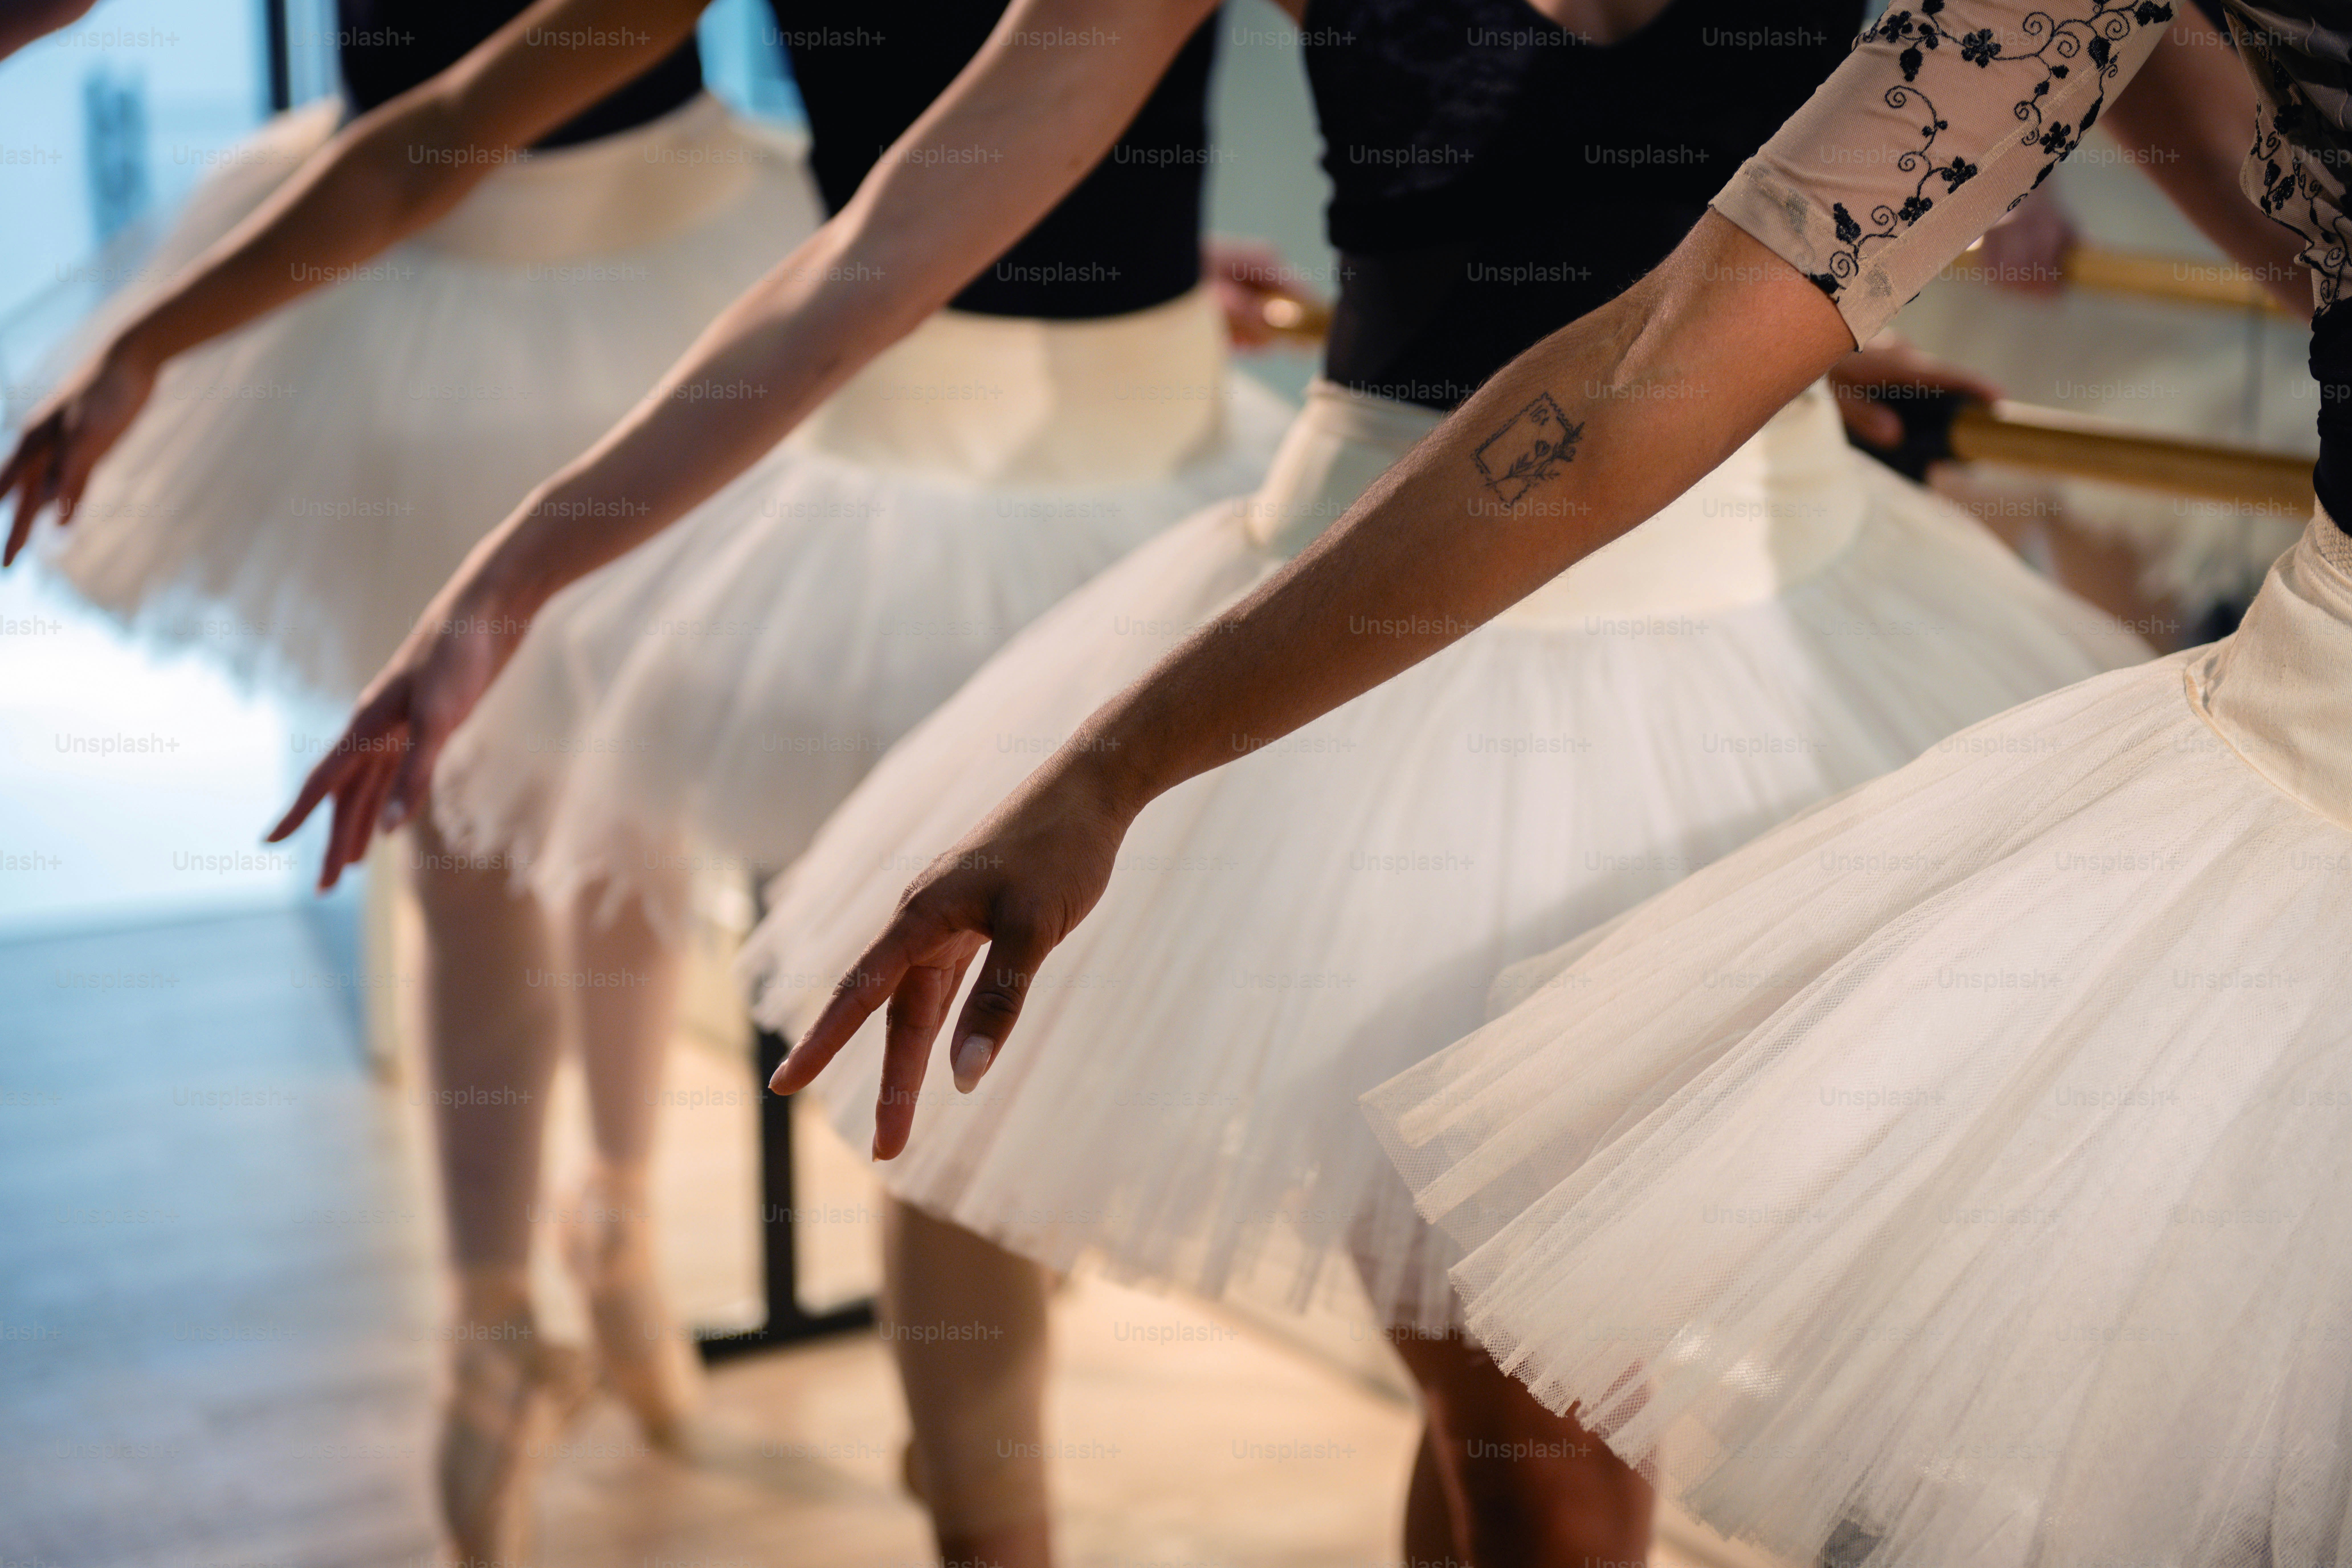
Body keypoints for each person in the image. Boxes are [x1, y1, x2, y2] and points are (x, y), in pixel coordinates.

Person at [725, 0, 2352, 1562]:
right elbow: (1644, 360)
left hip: (1789, 656)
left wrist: (1818, 344)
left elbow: (2238, 205)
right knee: (1542, 1462)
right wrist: (1105, 771)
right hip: (1390, 700)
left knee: (1555, 1460)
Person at [0, 1, 1285, 1561]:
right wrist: (154, 345)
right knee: (947, 1071)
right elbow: (446, 133)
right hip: (908, 491)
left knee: (1053, 1037)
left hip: (1159, 472)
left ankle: (872, 1385)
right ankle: (961, 1477)